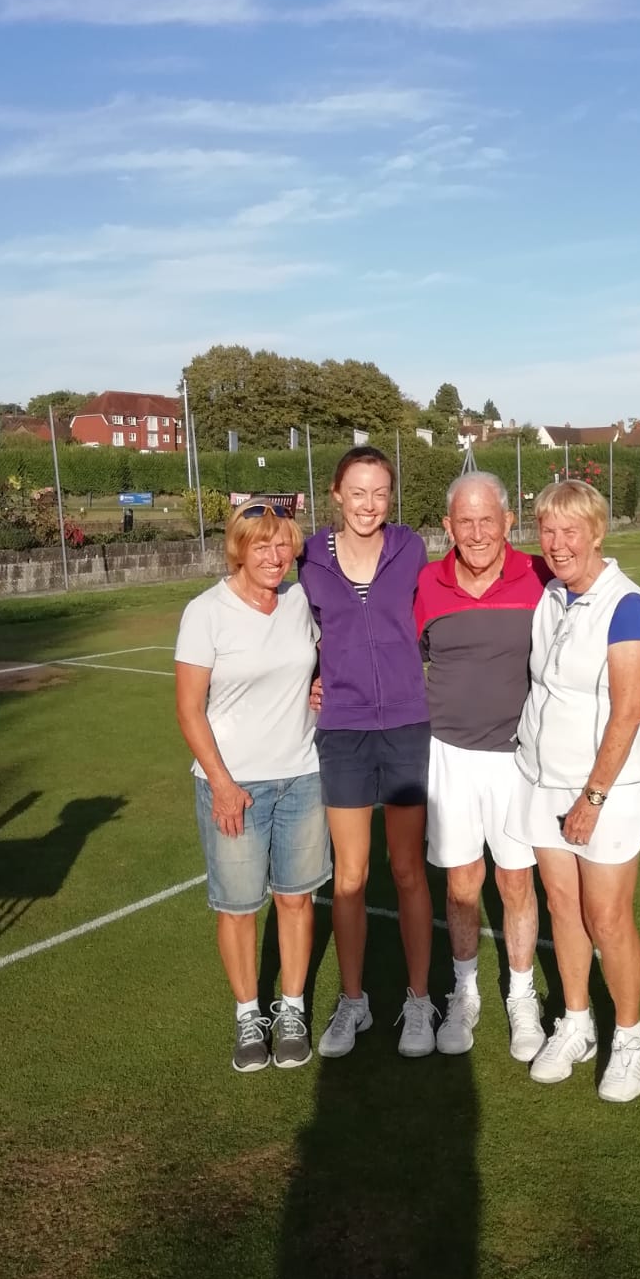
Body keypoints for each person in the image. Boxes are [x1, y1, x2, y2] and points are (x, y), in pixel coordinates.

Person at [508, 479, 640, 1103]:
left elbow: (628, 713)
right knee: (562, 906)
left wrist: (592, 799)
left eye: (570, 530)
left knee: (607, 917)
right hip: (543, 779)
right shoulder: (551, 595)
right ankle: (576, 1024)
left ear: (597, 533)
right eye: (547, 530)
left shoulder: (625, 606)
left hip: (606, 790)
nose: (557, 542)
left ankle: (629, 1039)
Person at [174, 501, 330, 1074]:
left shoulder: (298, 602)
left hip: (303, 776)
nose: (274, 555)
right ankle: (248, 1015)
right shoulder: (205, 613)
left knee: (296, 899)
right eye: (261, 544)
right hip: (235, 784)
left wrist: (321, 685)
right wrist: (221, 783)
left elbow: (317, 662)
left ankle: (291, 1010)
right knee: (238, 907)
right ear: (238, 549)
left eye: (283, 543)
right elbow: (189, 710)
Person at [298, 445, 436, 1058]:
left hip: (405, 723)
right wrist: (309, 677)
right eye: (357, 492)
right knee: (350, 876)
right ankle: (353, 1001)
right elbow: (291, 627)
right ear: (336, 494)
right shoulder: (308, 558)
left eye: (380, 493)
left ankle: (418, 1000)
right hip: (344, 729)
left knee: (406, 870)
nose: (369, 504)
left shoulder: (410, 548)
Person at [414, 472, 548, 1062]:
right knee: (462, 883)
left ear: (507, 522)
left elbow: (590, 618)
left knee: (516, 881)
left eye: (486, 520)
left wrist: (637, 657)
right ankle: (464, 992)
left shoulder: (540, 575)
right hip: (448, 755)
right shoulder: (426, 583)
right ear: (448, 526)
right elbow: (394, 652)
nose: (476, 533)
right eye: (464, 522)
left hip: (518, 757)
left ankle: (522, 996)